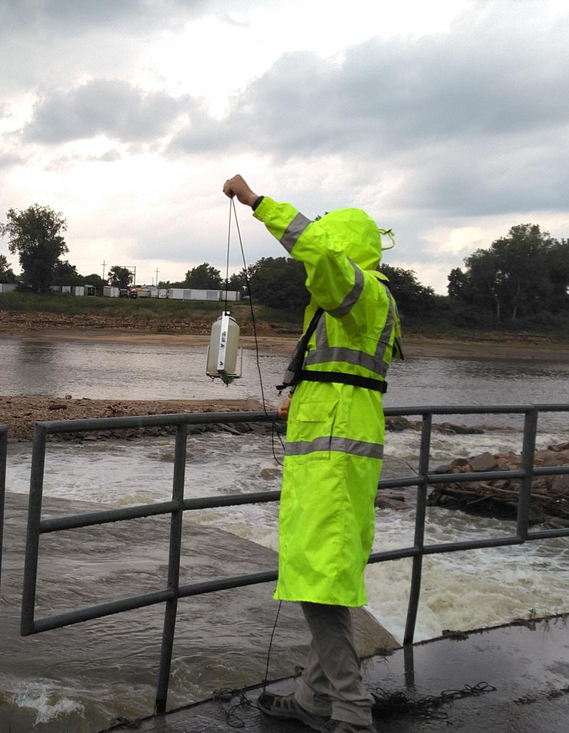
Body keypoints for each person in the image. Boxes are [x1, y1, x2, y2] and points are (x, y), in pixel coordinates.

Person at [222, 174, 400, 733]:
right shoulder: (362, 303)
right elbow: (340, 375)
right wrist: (300, 400)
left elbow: (316, 251)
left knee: (320, 582)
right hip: (336, 448)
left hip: (333, 457)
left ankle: (351, 710)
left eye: (328, 242)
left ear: (341, 248)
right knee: (327, 576)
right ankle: (311, 697)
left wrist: (258, 204)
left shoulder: (360, 292)